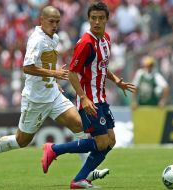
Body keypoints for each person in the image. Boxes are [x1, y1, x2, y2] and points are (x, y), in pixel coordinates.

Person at [0, 6, 109, 182]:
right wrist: (54, 75)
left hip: (52, 94)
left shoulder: (54, 38)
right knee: (22, 141)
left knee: (79, 125)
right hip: (35, 100)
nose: (55, 25)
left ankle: (86, 173)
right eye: (51, 21)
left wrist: (53, 82)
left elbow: (48, 64)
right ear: (41, 20)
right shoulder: (36, 40)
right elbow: (27, 67)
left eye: (57, 22)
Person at [41, 2, 136, 189]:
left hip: (101, 99)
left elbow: (101, 66)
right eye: (93, 18)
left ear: (107, 19)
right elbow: (73, 72)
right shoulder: (85, 43)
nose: (97, 22)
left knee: (110, 142)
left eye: (101, 18)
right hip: (89, 100)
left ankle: (79, 179)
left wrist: (116, 80)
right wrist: (83, 98)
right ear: (89, 19)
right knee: (101, 142)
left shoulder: (106, 39)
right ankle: (54, 150)